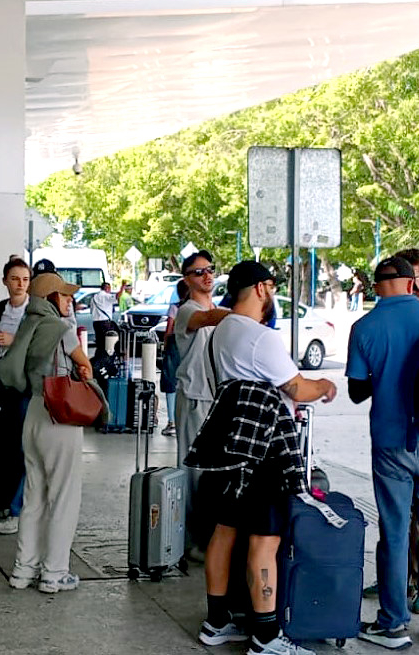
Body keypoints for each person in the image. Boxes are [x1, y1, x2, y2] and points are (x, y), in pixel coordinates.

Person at [185, 260, 337, 655]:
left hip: (229, 445)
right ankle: (266, 637)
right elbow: (297, 387)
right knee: (264, 541)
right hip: (264, 450)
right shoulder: (260, 337)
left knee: (224, 531)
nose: (271, 294)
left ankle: (216, 622)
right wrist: (324, 383)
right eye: (270, 286)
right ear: (260, 288)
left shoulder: (222, 332)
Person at [347, 256, 419, 651]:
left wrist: (386, 371)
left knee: (394, 533)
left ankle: (393, 624)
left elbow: (357, 391)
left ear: (379, 286)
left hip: (392, 443)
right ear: (413, 284)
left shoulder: (365, 327)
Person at [0, 272, 94, 594]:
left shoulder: (27, 325)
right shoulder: (60, 328)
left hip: (34, 411)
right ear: (50, 298)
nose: (69, 301)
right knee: (64, 496)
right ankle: (54, 572)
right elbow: (85, 366)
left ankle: (23, 570)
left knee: (33, 497)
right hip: (60, 415)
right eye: (64, 296)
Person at [173, 250, 231, 557]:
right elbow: (206, 318)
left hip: (218, 398)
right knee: (193, 471)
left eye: (210, 270)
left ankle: (209, 534)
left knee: (216, 471)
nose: (207, 276)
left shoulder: (221, 311)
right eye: (199, 272)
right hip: (195, 397)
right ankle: (192, 540)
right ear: (187, 279)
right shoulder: (188, 311)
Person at [0, 256, 32, 536]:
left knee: (27, 446)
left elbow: (40, 346)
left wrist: (15, 341)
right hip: (5, 383)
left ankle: (19, 509)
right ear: (5, 281)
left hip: (28, 385)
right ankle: (13, 503)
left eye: (25, 279)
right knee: (10, 447)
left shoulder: (36, 311)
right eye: (15, 279)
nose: (20, 285)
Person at [159, 280, 188, 437]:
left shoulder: (175, 307)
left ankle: (172, 422)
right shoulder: (194, 308)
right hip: (190, 347)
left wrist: (165, 344)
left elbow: (169, 329)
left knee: (170, 382)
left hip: (174, 346)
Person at [89, 282, 118, 348]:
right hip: (105, 322)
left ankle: (99, 355)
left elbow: (91, 310)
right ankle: (106, 356)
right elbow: (116, 297)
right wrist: (122, 288)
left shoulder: (94, 297)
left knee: (99, 341)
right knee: (107, 342)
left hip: (96, 322)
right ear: (107, 288)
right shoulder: (106, 296)